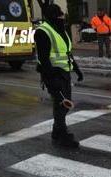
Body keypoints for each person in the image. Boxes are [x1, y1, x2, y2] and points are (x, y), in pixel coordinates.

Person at [35, 3, 83, 148]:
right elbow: (43, 59)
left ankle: (57, 132)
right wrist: (50, 79)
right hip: (53, 73)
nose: (63, 16)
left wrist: (77, 68)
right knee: (62, 104)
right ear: (55, 16)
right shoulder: (43, 32)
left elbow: (67, 52)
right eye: (61, 14)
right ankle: (63, 136)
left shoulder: (60, 29)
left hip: (64, 72)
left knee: (65, 104)